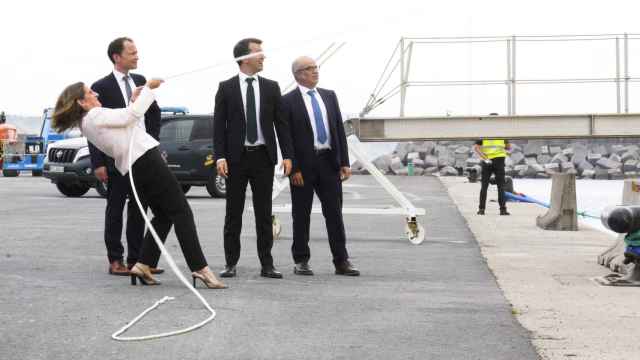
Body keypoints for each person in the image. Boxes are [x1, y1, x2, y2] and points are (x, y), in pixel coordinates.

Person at [52, 80, 226, 289]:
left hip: (135, 165)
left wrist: (135, 100)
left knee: (163, 216)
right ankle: (199, 268)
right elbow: (130, 116)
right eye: (90, 92)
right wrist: (149, 89)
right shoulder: (94, 116)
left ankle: (144, 264)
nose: (96, 93)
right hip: (146, 159)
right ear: (81, 102)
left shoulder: (87, 123)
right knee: (182, 212)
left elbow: (127, 121)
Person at [213, 38, 293, 279]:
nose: (263, 57)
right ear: (243, 58)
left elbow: (281, 124)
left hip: (263, 158)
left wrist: (287, 155)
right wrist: (220, 157)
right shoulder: (226, 87)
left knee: (263, 212)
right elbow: (219, 126)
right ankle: (230, 263)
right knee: (233, 212)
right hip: (236, 159)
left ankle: (267, 264)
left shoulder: (271, 87)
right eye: (259, 53)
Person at [88, 37, 163, 276]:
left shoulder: (141, 81)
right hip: (115, 158)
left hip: (141, 156)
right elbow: (95, 129)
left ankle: (137, 259)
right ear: (117, 57)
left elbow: (154, 114)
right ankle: (115, 260)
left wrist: (151, 142)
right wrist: (98, 162)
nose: (137, 56)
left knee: (139, 209)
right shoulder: (101, 86)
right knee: (115, 208)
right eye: (132, 52)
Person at [280, 56, 359, 276]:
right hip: (302, 167)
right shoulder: (287, 101)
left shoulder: (329, 96)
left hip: (329, 162)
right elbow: (285, 138)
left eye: (316, 67)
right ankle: (301, 260)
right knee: (301, 214)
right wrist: (293, 168)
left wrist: (344, 162)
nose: (316, 71)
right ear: (298, 74)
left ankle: (341, 261)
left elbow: (338, 131)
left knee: (334, 213)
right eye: (310, 68)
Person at [473, 139, 511, 215]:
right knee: (501, 186)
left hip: (487, 161)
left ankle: (481, 209)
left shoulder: (485, 134)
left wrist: (485, 158)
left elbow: (476, 148)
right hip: (499, 161)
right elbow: (508, 147)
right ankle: (503, 210)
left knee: (484, 186)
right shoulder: (502, 134)